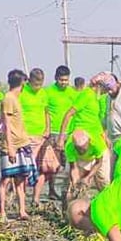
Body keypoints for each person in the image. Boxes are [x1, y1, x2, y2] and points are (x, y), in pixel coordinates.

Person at [60, 76, 112, 197]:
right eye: (105, 89)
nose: (106, 92)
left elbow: (94, 120)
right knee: (75, 183)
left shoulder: (96, 98)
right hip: (82, 141)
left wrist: (104, 136)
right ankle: (71, 203)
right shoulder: (86, 95)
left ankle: (106, 202)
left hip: (96, 141)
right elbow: (69, 114)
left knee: (104, 181)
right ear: (98, 86)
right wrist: (61, 137)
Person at [0, 69, 35, 221]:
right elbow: (6, 125)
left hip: (21, 143)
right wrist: (10, 147)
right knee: (6, 179)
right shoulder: (8, 98)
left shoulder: (15, 98)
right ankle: (2, 213)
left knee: (21, 179)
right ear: (22, 83)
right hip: (11, 145)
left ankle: (22, 211)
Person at [40, 65, 74, 203]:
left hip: (69, 133)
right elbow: (45, 111)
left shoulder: (72, 92)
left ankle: (67, 191)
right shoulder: (48, 92)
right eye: (61, 80)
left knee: (68, 164)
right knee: (53, 164)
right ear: (56, 78)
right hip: (53, 132)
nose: (64, 82)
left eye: (66, 80)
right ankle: (52, 189)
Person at [20, 68, 51, 206]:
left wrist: (48, 128)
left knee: (41, 168)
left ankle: (36, 199)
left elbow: (46, 112)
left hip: (40, 136)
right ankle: (20, 198)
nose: (38, 87)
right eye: (35, 84)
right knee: (24, 169)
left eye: (40, 84)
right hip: (25, 135)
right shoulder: (22, 92)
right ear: (29, 81)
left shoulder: (43, 93)